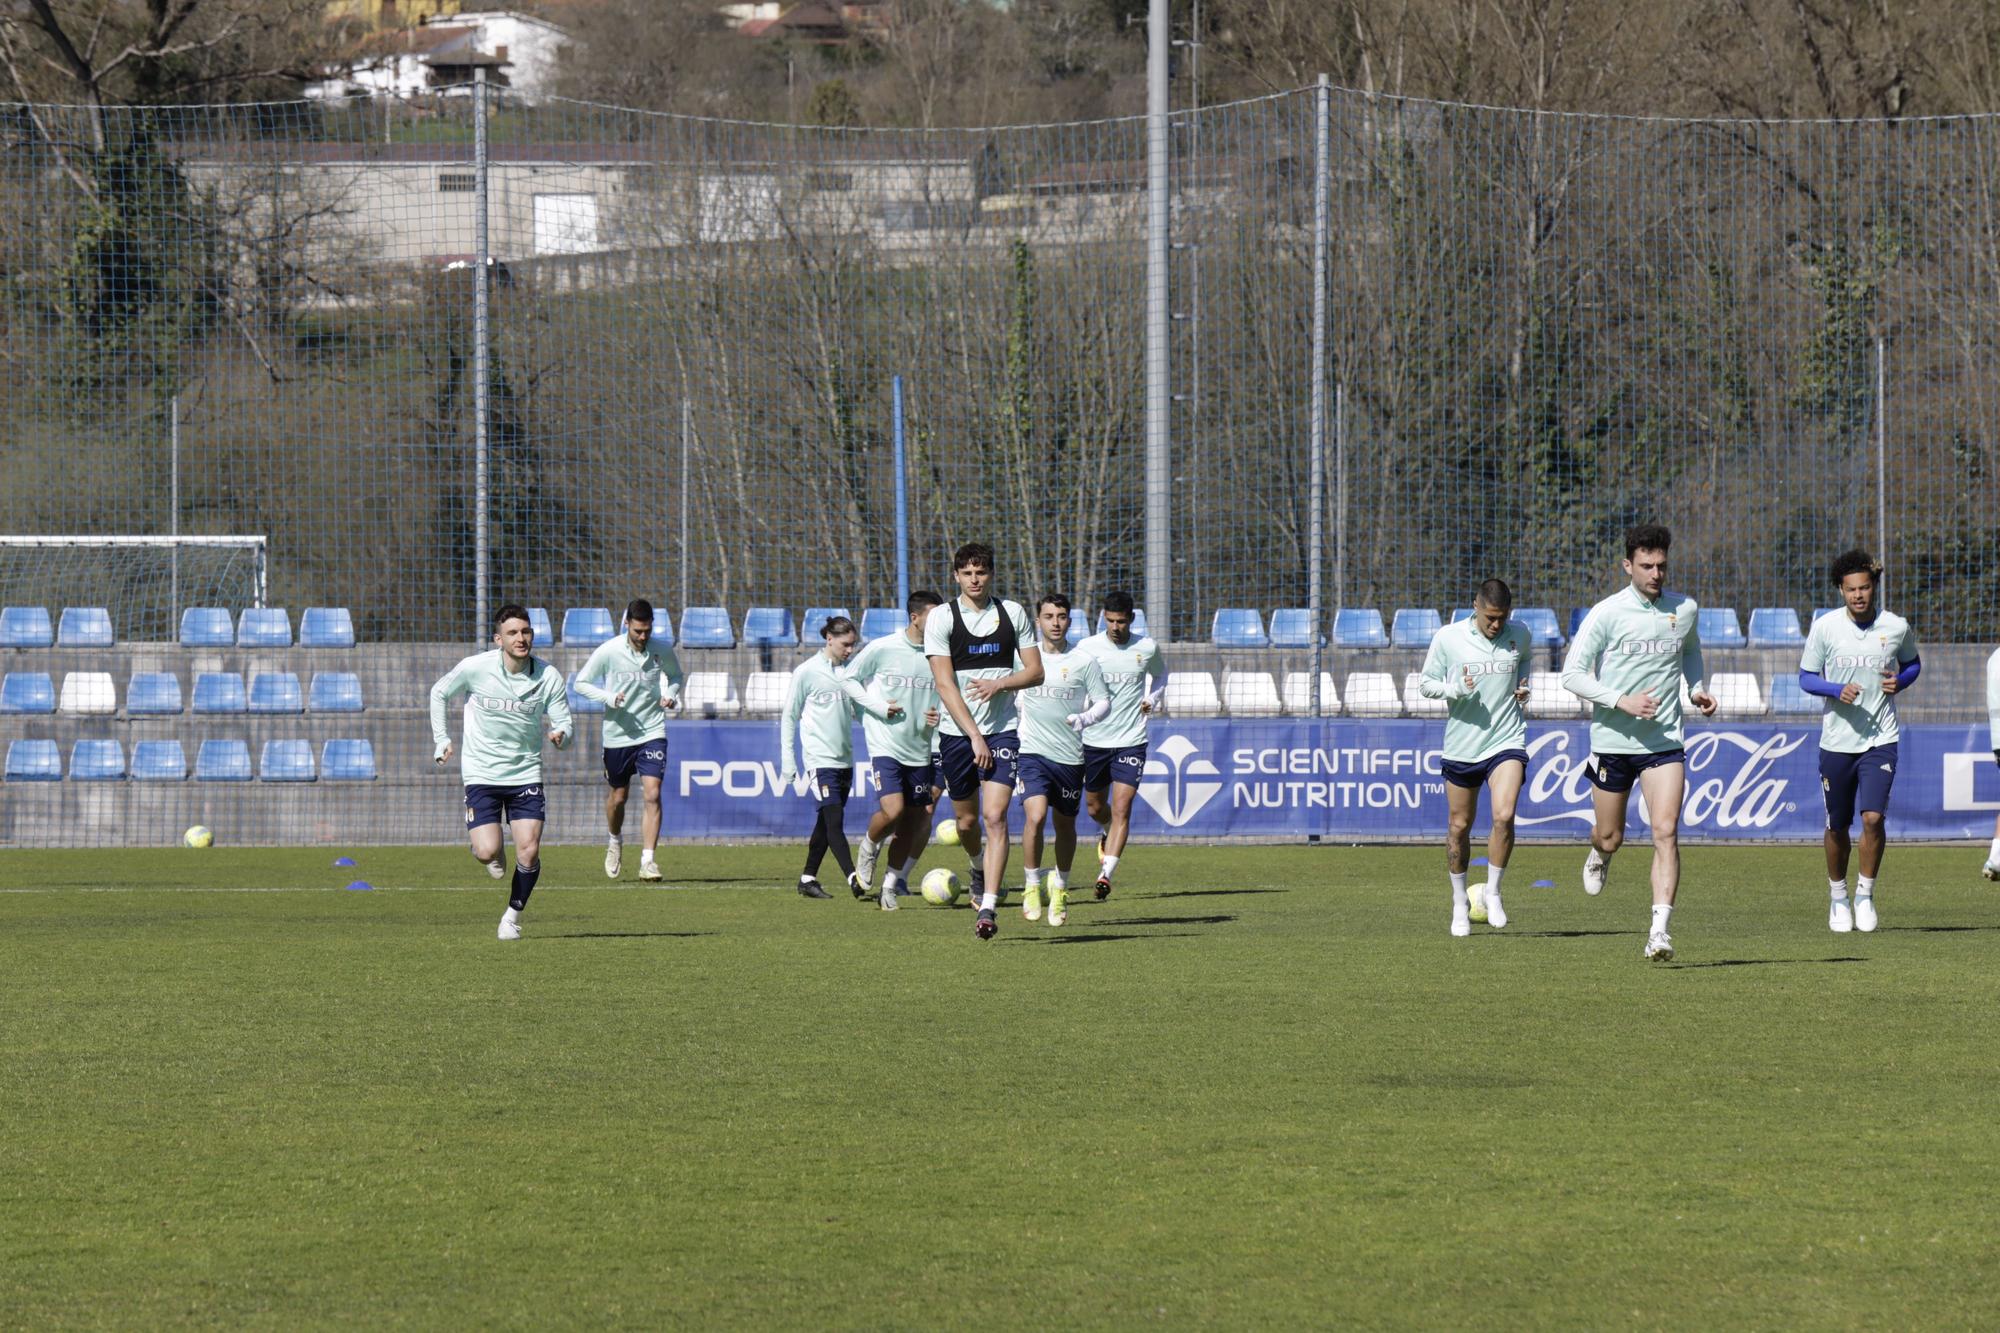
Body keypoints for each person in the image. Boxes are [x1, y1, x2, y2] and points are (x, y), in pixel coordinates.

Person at [1562, 524, 1717, 962]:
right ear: (1627, 565)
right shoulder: (1607, 613)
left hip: (1665, 740)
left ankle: (1659, 931)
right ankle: (1600, 852)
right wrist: (1621, 701)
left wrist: (1696, 689)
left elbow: (1690, 650)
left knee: (1665, 831)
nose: (1655, 573)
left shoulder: (1684, 609)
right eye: (1646, 565)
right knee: (1610, 836)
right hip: (1612, 740)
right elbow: (1572, 674)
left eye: (1662, 565)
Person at [429, 603, 573, 941]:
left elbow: (565, 722)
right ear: (498, 639)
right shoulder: (475, 668)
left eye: (525, 632)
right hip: (481, 773)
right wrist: (442, 739)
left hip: (525, 773)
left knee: (530, 849)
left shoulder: (548, 676)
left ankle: (512, 917)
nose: (520, 638)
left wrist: (561, 735)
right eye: (513, 633)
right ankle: (490, 849)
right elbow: (439, 692)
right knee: (487, 851)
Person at [926, 542, 1044, 940]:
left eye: (981, 572)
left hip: (1004, 731)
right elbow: (944, 684)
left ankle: (989, 907)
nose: (975, 579)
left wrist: (1000, 684)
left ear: (991, 574)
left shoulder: (1012, 613)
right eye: (967, 573)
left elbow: (1035, 671)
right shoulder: (942, 618)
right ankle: (976, 863)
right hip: (958, 735)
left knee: (995, 817)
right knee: (967, 820)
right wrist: (974, 735)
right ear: (956, 576)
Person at [1798, 551, 1919, 932]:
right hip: (1836, 742)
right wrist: (1835, 689)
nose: (1858, 595)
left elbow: (1913, 664)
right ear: (1841, 590)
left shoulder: (1895, 626)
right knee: (1837, 825)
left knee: (1873, 818)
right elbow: (1805, 677)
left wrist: (1900, 681)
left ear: (1874, 587)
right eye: (1851, 589)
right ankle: (1838, 897)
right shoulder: (1825, 627)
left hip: (1881, 738)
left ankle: (1865, 895)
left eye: (1864, 587)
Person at [1419, 579, 1532, 937]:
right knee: (1459, 827)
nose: (1496, 625)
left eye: (1502, 618)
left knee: (1504, 814)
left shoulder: (1521, 634)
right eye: (1490, 617)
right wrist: (1455, 689)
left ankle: (1494, 892)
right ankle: (1458, 903)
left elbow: (1524, 661)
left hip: (1506, 739)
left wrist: (1523, 685)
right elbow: (1426, 684)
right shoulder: (1448, 638)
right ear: (1476, 607)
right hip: (1462, 747)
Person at [779, 615, 904, 900]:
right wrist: (789, 759)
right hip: (818, 760)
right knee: (835, 821)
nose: (850, 650)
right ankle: (854, 878)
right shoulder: (806, 672)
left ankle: (807, 878)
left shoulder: (850, 673)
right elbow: (789, 717)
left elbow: (861, 711)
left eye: (853, 645)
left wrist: (886, 717)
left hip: (844, 759)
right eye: (846, 644)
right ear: (829, 639)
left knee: (826, 821)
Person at [1014, 594, 1111, 928]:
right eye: (1048, 616)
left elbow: (1103, 702)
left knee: (1065, 825)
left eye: (1062, 616)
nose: (1055, 622)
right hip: (1031, 752)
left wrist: (1084, 719)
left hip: (1069, 758)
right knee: (1036, 816)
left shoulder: (1084, 661)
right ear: (1037, 621)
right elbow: (1009, 692)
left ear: (1070, 621)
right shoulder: (1024, 658)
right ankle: (1031, 885)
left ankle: (1061, 887)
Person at [571, 599, 684, 883]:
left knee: (652, 793)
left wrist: (670, 693)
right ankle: (614, 840)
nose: (642, 637)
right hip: (618, 735)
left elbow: (676, 675)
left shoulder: (660, 650)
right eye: (637, 631)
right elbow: (580, 683)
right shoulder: (609, 651)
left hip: (651, 731)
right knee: (618, 797)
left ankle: (648, 861)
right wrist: (608, 698)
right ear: (627, 625)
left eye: (646, 631)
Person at [846, 591, 945, 908]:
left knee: (912, 823)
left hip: (920, 748)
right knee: (894, 811)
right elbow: (849, 679)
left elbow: (948, 690)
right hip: (885, 744)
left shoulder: (942, 654)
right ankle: (869, 846)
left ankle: (889, 885)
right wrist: (876, 707)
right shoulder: (883, 647)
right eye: (933, 617)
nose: (939, 624)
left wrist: (938, 713)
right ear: (915, 618)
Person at [1077, 591, 1166, 900]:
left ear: (1131, 619)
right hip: (1094, 741)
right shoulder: (1087, 648)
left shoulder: (1146, 647)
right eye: (1111, 621)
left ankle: (1106, 875)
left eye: (1121, 621)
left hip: (1131, 741)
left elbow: (1161, 674)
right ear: (1104, 617)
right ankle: (1106, 832)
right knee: (1095, 807)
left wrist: (1152, 699)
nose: (1116, 627)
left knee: (1122, 808)